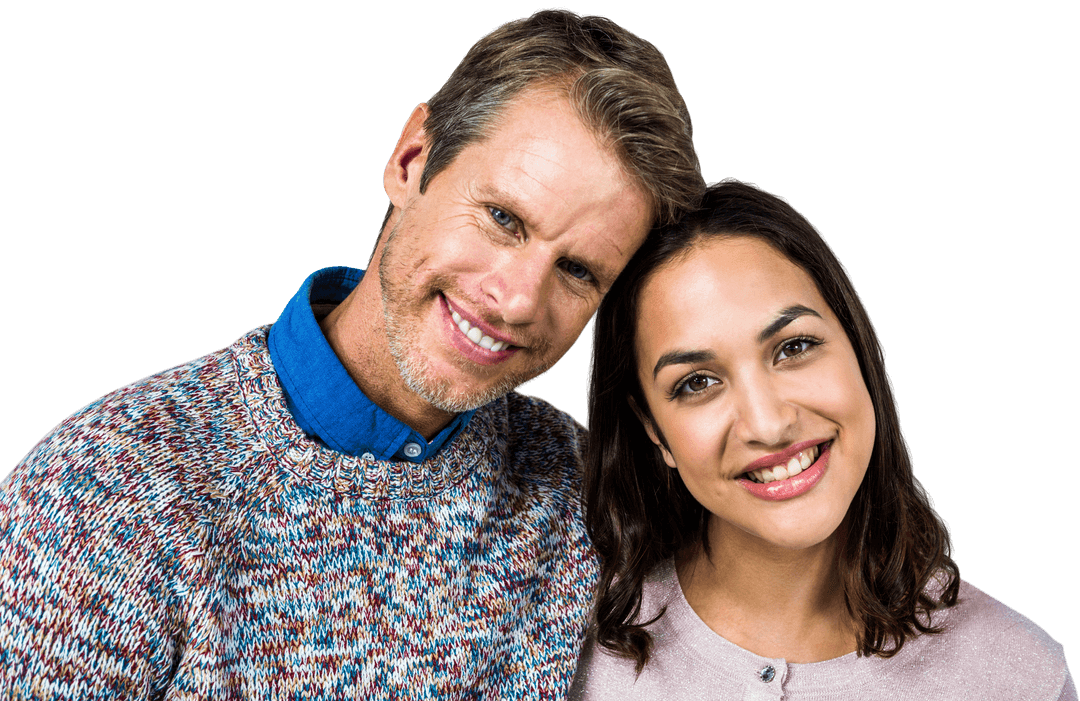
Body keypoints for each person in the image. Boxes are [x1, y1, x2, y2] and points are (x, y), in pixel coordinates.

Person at [0, 9, 704, 699]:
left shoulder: (590, 494)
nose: (518, 299)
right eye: (502, 218)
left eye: (578, 271)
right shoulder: (102, 491)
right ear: (411, 161)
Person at [571, 178, 1075, 700]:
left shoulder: (1021, 677)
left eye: (794, 347)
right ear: (653, 429)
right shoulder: (567, 645)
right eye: (697, 382)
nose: (768, 425)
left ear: (857, 346)